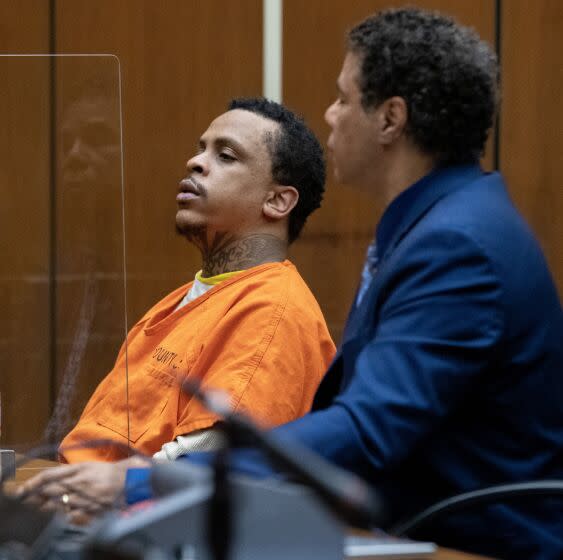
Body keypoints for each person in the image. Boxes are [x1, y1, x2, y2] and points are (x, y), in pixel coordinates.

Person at [128, 8, 562, 559]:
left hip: (474, 546)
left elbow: (366, 430)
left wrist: (149, 484)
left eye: (343, 97)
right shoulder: (440, 224)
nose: (330, 115)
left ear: (390, 119)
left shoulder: (458, 245)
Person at [19, 98, 335, 520]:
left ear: (278, 201)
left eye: (225, 155)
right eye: (200, 148)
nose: (194, 162)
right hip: (74, 513)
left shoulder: (274, 309)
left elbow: (209, 457)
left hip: (131, 525)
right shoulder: (186, 297)